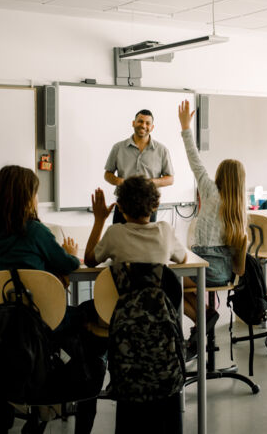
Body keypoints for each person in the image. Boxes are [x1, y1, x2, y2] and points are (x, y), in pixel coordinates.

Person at [0, 165, 102, 434]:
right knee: (89, 319)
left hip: (9, 325)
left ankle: (32, 408)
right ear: (26, 197)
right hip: (45, 321)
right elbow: (68, 263)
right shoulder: (35, 231)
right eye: (35, 194)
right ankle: (75, 407)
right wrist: (70, 251)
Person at [84, 176, 186, 434]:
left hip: (125, 335)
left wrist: (99, 220)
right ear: (155, 206)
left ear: (120, 207)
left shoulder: (115, 233)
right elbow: (182, 257)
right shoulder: (164, 231)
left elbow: (90, 260)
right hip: (162, 335)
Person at [177, 100, 247, 356]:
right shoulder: (240, 207)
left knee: (170, 285)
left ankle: (203, 320)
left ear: (219, 175)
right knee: (178, 285)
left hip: (203, 268)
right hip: (224, 273)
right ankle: (204, 322)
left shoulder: (209, 190)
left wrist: (185, 127)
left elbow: (194, 160)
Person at [104, 109, 174, 224]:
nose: (143, 125)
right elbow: (107, 174)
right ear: (133, 123)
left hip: (148, 206)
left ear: (152, 127)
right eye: (140, 121)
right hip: (123, 204)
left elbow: (170, 179)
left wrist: (148, 183)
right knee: (119, 240)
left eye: (147, 123)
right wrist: (120, 181)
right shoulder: (118, 148)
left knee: (146, 241)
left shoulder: (162, 150)